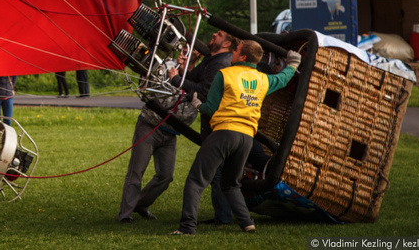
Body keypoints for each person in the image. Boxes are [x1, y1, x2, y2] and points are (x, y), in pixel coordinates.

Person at [171, 41, 301, 235]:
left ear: (242, 57)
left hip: (224, 133)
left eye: (236, 50)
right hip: (246, 138)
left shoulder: (224, 75)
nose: (232, 52)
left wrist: (197, 103)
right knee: (231, 183)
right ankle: (247, 223)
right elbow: (282, 79)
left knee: (195, 181)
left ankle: (187, 226)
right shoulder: (263, 79)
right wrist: (293, 64)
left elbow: (211, 108)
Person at [167, 30, 238, 225]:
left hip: (220, 126)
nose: (214, 34)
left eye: (220, 34)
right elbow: (193, 79)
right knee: (218, 174)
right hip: (213, 126)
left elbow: (204, 92)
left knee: (215, 174)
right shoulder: (211, 60)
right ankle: (229, 217)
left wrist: (176, 80)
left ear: (226, 44)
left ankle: (224, 218)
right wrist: (184, 68)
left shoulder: (220, 64)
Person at [118, 52, 198, 224]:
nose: (189, 55)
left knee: (166, 176)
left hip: (171, 133)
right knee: (136, 171)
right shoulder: (166, 67)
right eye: (187, 51)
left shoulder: (197, 77)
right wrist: (175, 75)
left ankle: (140, 204)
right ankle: (125, 214)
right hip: (149, 126)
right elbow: (149, 89)